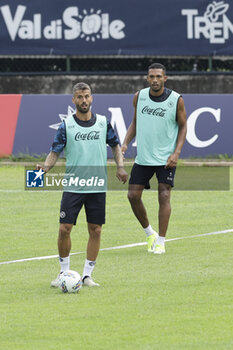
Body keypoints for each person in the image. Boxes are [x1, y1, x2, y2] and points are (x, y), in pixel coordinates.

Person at [38, 82, 128, 287]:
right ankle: (63, 273)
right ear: (73, 100)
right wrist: (43, 170)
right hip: (73, 185)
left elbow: (115, 145)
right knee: (64, 229)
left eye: (87, 96)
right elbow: (55, 152)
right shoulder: (66, 125)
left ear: (92, 98)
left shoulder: (103, 122)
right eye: (79, 97)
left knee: (95, 230)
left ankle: (87, 275)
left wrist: (120, 166)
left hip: (97, 185)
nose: (84, 100)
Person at [121, 63, 187, 254]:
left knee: (164, 195)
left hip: (166, 159)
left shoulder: (176, 100)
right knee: (132, 196)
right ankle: (150, 233)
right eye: (152, 76)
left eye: (159, 76)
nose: (155, 80)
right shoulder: (139, 97)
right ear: (147, 78)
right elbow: (135, 122)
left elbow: (183, 126)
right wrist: (125, 142)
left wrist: (176, 153)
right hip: (143, 158)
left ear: (165, 78)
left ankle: (161, 241)